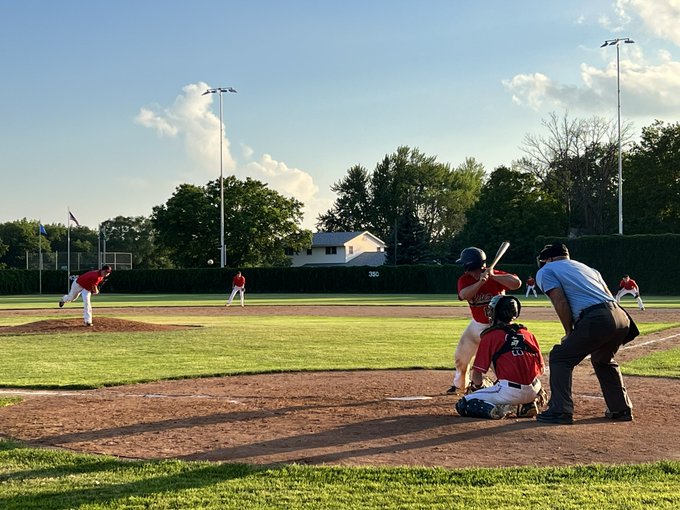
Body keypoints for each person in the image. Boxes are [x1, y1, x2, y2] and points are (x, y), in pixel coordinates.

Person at [534, 243, 638, 425]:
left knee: (560, 357)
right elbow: (608, 295)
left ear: (549, 259)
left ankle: (560, 410)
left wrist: (569, 332)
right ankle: (621, 408)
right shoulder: (588, 269)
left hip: (597, 318)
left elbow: (560, 301)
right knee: (602, 360)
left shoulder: (546, 270)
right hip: (621, 317)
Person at [455, 295, 546, 419]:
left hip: (510, 392)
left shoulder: (490, 336)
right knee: (522, 381)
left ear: (497, 313)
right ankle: (528, 404)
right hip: (534, 388)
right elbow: (541, 369)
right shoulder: (528, 334)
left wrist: (477, 388)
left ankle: (498, 408)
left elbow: (477, 373)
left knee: (464, 403)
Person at [447, 247, 522, 395]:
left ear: (469, 265)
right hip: (477, 325)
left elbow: (516, 283)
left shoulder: (494, 274)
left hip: (497, 327)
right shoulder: (465, 279)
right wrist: (480, 282)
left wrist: (493, 276)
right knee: (461, 356)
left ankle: (509, 387)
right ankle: (460, 385)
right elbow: (464, 294)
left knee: (497, 361)